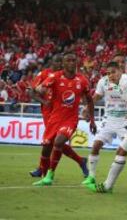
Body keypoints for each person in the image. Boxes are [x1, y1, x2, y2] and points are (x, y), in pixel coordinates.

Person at [32, 52, 97, 186]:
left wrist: (92, 120)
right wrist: (40, 89)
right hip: (54, 119)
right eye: (68, 60)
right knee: (46, 149)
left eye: (74, 60)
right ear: (63, 63)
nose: (71, 63)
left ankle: (51, 173)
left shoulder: (82, 80)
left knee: (59, 141)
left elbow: (90, 101)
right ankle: (45, 177)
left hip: (70, 119)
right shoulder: (54, 77)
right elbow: (40, 88)